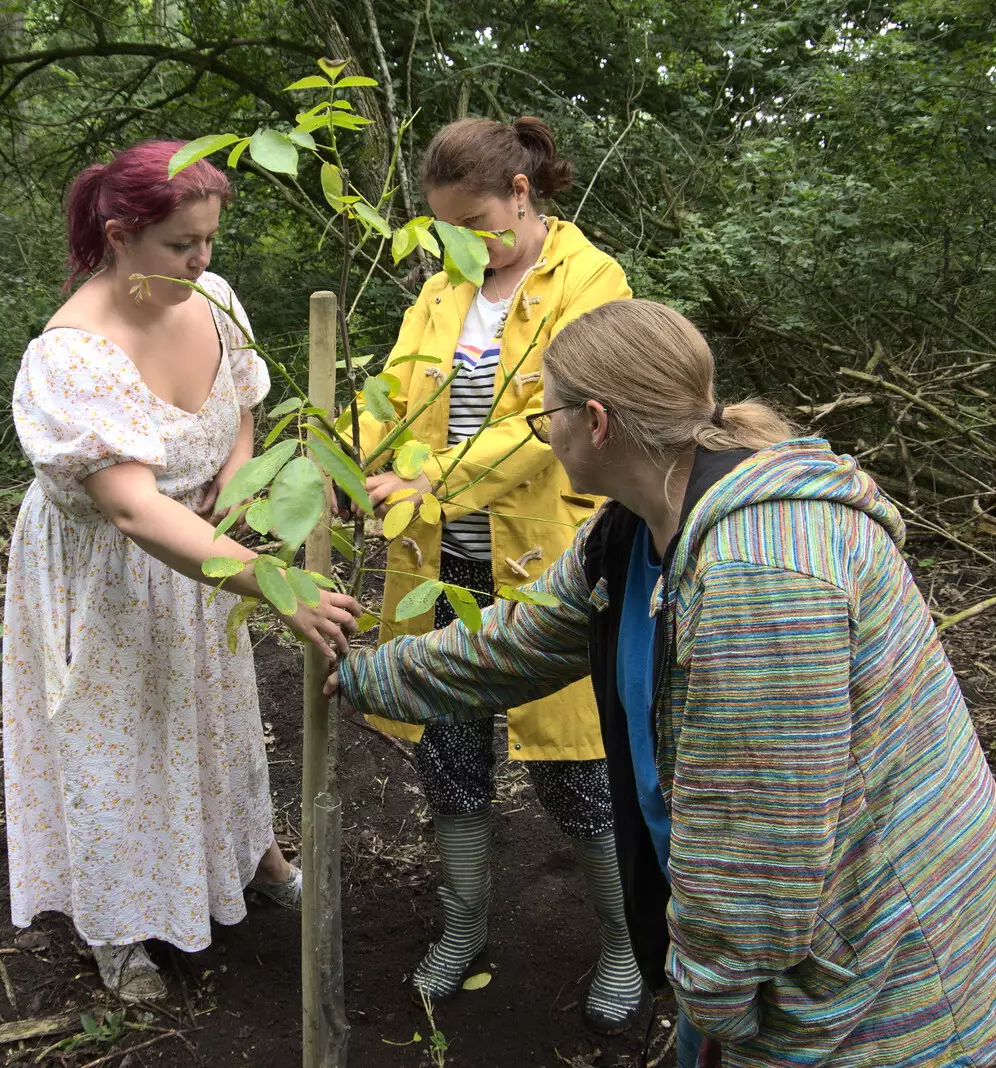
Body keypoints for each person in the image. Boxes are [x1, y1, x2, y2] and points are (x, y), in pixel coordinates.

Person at [331, 299, 996, 1066]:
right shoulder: (632, 529)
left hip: (885, 982)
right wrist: (355, 675)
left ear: (596, 422)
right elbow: (520, 643)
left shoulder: (759, 577)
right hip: (789, 963)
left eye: (547, 420)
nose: (547, 438)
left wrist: (712, 1006)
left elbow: (761, 853)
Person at [3, 141, 361, 1003]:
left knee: (213, 714)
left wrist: (238, 476)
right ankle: (120, 926)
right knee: (116, 743)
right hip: (111, 580)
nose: (203, 263)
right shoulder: (69, 360)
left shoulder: (211, 296)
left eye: (210, 242)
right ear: (120, 235)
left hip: (205, 554)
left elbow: (240, 402)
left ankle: (253, 858)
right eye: (181, 246)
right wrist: (277, 584)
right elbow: (132, 509)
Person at [349, 116, 643, 1033]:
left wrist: (429, 479)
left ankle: (631, 942)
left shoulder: (591, 278)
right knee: (448, 754)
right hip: (438, 566)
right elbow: (389, 394)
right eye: (445, 230)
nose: (463, 245)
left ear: (522, 192)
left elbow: (545, 424)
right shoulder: (440, 290)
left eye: (475, 222)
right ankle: (464, 926)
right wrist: (368, 460)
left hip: (548, 571)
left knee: (577, 770)